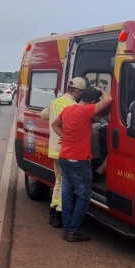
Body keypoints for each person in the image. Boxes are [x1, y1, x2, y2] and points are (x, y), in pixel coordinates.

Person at [52, 86, 112, 242]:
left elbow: (55, 125)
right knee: (84, 195)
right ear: (92, 101)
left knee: (67, 193)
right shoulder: (86, 111)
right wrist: (102, 89)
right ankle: (73, 231)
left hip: (64, 156)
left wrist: (64, 137)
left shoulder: (68, 109)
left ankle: (67, 229)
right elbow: (109, 100)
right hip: (79, 159)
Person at [39, 77, 86, 228]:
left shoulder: (55, 102)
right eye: (81, 93)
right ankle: (59, 214)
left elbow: (43, 115)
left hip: (53, 149)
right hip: (66, 150)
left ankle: (53, 211)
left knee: (58, 181)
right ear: (77, 91)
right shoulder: (72, 106)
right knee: (65, 183)